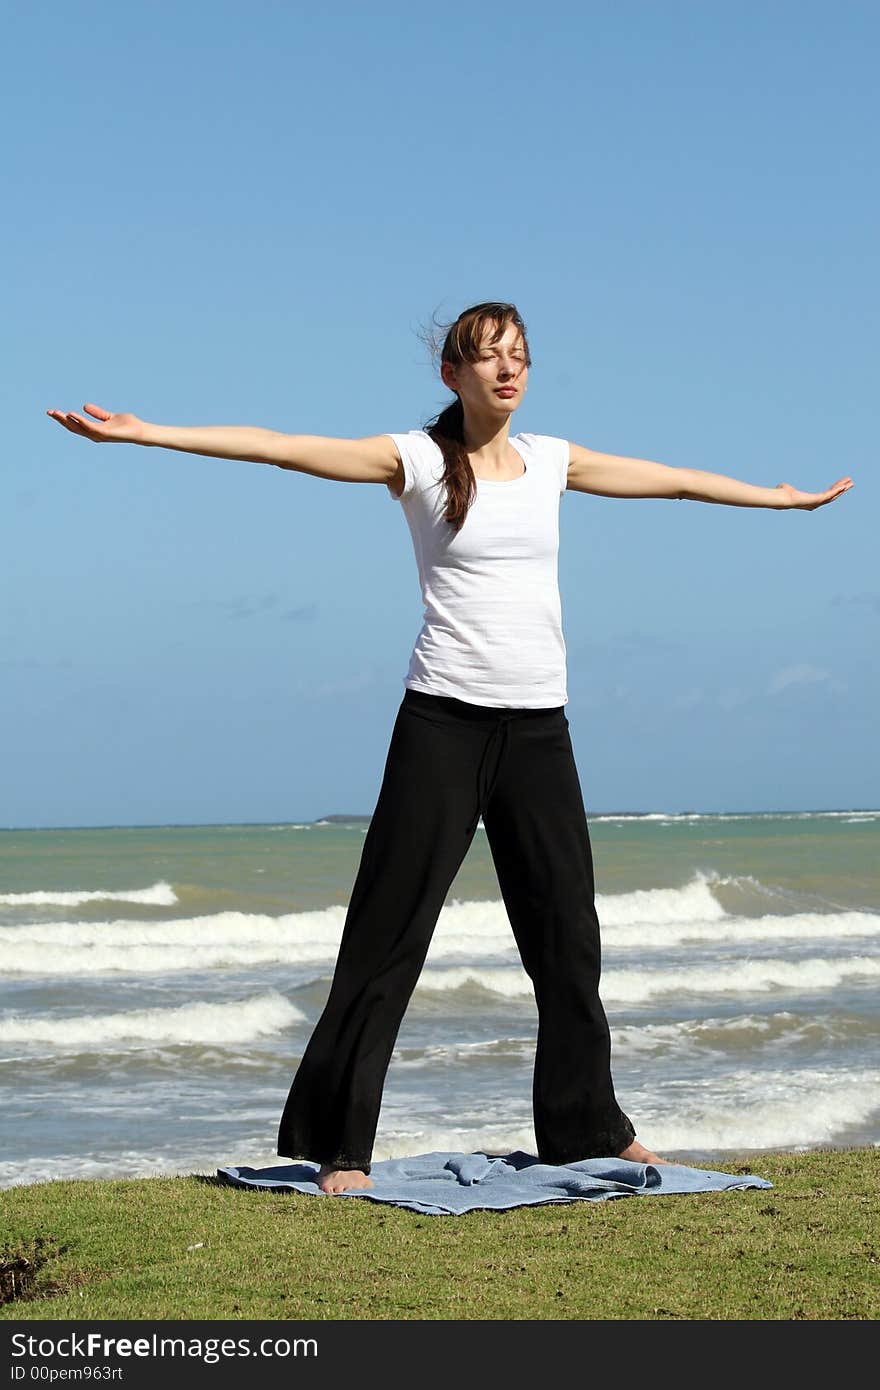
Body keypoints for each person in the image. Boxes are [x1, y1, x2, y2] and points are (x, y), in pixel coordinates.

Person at [47, 300, 853, 1194]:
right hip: (441, 724)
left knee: (567, 940)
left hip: (539, 728)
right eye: (488, 358)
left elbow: (669, 479)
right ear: (452, 374)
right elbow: (280, 444)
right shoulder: (416, 460)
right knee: (388, 936)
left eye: (520, 358)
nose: (507, 372)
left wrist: (777, 499)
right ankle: (340, 1147)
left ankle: (589, 1125)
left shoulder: (553, 461)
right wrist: (147, 433)